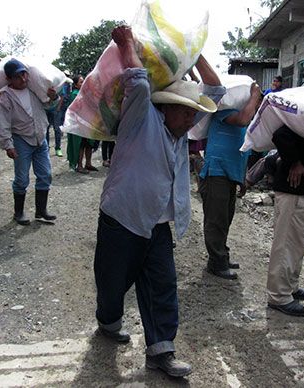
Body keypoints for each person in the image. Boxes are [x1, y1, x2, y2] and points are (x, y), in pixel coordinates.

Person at [93, 25, 223, 378]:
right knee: (112, 284)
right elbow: (136, 79)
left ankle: (161, 350)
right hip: (122, 218)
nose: (192, 117)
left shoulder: (183, 133)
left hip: (156, 225)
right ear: (165, 109)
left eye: (193, 112)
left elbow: (216, 90)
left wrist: (193, 53)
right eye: (185, 111)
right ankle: (108, 321)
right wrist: (128, 44)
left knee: (162, 285)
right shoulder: (141, 118)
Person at [198, 82, 261, 279]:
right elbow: (243, 119)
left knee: (225, 218)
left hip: (229, 175)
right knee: (216, 220)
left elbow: (242, 151)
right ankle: (217, 262)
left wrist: (241, 178)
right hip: (216, 172)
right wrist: (254, 96)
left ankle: (221, 257)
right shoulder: (222, 111)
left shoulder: (238, 117)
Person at [266, 119, 304, 317]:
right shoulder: (300, 120)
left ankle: (289, 286)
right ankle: (278, 295)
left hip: (302, 191)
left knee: (297, 243)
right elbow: (280, 136)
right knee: (286, 243)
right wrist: (295, 162)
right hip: (293, 191)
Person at [0, 59, 59, 226]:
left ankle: (41, 211)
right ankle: (19, 212)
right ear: (9, 79)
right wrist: (8, 145)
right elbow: (3, 123)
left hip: (40, 138)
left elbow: (47, 106)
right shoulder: (6, 96)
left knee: (45, 175)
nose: (23, 79)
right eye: (18, 76)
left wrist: (53, 98)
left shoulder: (33, 90)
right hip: (21, 139)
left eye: (24, 74)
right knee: (22, 179)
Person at [66, 75, 84, 171]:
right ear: (76, 85)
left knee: (83, 144)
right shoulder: (75, 94)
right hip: (76, 124)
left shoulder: (82, 93)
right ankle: (78, 165)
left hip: (82, 123)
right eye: (81, 82)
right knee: (78, 144)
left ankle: (84, 164)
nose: (83, 83)